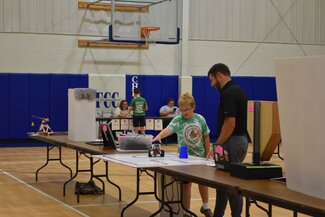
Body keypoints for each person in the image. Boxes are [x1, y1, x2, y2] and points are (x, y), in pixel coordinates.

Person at [152, 93, 213, 217]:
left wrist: (208, 152)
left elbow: (206, 136)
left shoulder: (200, 119)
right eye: (182, 110)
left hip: (200, 157)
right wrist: (159, 136)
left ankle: (205, 206)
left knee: (203, 182)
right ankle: (186, 211)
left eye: (187, 109)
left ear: (193, 107)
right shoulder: (178, 120)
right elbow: (168, 130)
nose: (184, 112)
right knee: (186, 185)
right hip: (185, 159)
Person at [208, 63, 248, 217]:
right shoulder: (237, 90)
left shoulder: (229, 93)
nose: (212, 85)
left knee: (232, 186)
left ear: (219, 75)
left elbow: (230, 123)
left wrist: (218, 143)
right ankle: (218, 214)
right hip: (237, 141)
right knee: (222, 182)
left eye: (212, 80)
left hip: (232, 142)